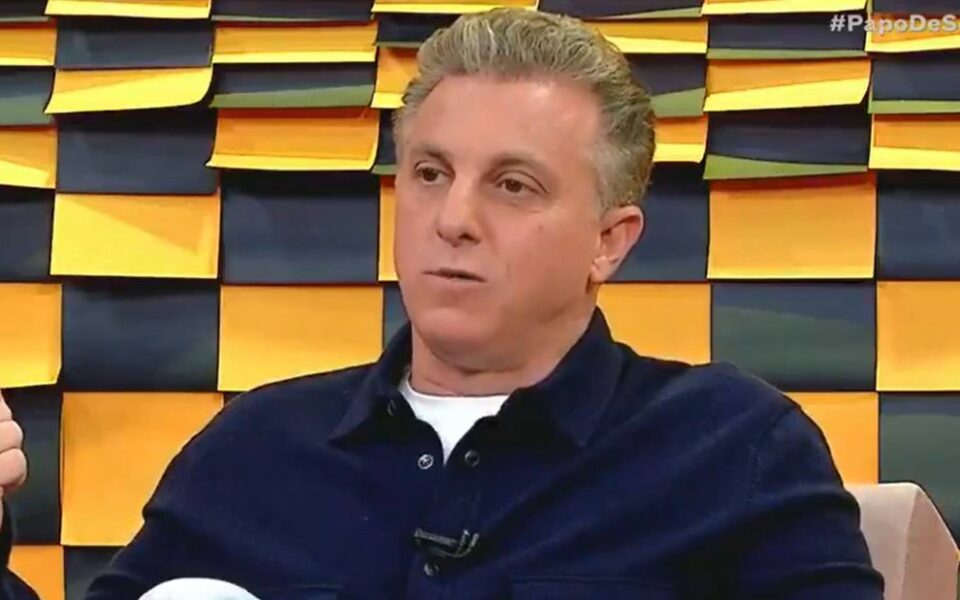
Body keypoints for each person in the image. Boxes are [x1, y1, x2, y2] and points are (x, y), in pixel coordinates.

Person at [0, 8, 883, 599]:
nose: (453, 219)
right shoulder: (254, 450)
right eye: (430, 174)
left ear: (609, 242)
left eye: (513, 185)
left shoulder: (731, 448)